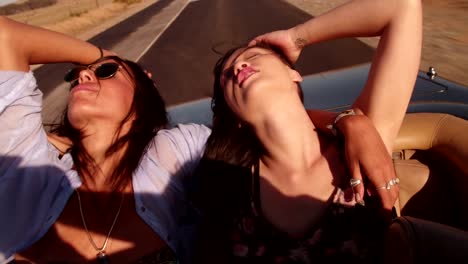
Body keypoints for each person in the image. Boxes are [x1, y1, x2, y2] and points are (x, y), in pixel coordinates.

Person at [0, 13, 394, 264]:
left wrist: (347, 120)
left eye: (105, 73)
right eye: (76, 76)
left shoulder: (174, 151)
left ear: (140, 100)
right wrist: (105, 56)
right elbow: (6, 36)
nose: (82, 75)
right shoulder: (31, 170)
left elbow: (267, 121)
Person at [194, 0, 422, 262]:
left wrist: (296, 37)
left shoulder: (361, 148)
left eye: (253, 56)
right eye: (227, 77)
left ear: (294, 75)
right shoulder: (228, 182)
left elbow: (402, 7)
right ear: (236, 119)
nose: (238, 68)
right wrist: (342, 120)